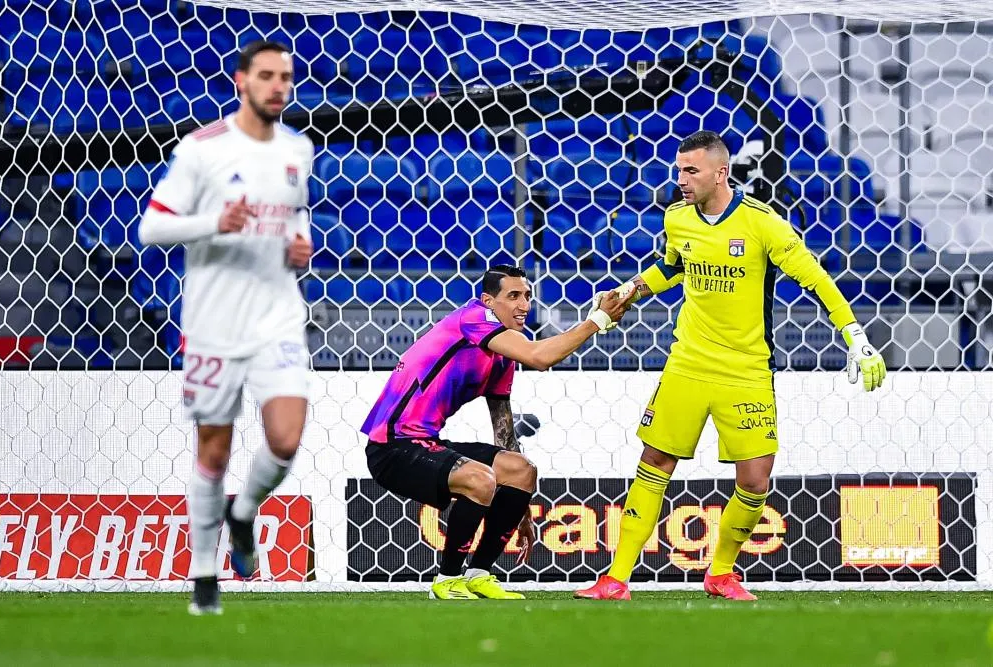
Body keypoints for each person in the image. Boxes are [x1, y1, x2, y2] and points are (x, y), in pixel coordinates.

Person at [574, 130, 887, 601]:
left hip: (746, 370)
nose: (680, 179)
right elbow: (674, 267)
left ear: (721, 173)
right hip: (688, 362)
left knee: (755, 479)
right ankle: (616, 578)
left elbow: (817, 280)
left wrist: (855, 336)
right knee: (654, 462)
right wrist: (631, 289)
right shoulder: (676, 218)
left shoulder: (764, 223)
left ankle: (721, 574)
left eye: (690, 170)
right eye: (679, 169)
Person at [138, 40, 315, 615]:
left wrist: (301, 243)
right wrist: (216, 221)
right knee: (212, 453)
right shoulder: (201, 150)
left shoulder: (298, 149)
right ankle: (205, 574)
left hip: (277, 315)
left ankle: (245, 512)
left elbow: (297, 210)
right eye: (266, 76)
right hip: (213, 322)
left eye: (285, 77)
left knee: (285, 439)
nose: (277, 87)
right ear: (241, 80)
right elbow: (151, 230)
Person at [362, 264, 634, 600]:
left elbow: (502, 428)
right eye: (514, 296)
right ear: (488, 301)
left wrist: (517, 504)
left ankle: (479, 575)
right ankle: (446, 580)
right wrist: (598, 321)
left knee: (520, 470)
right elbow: (539, 357)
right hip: (392, 446)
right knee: (480, 479)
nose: (524, 305)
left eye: (528, 297)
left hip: (425, 442)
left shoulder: (502, 355)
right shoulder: (472, 318)